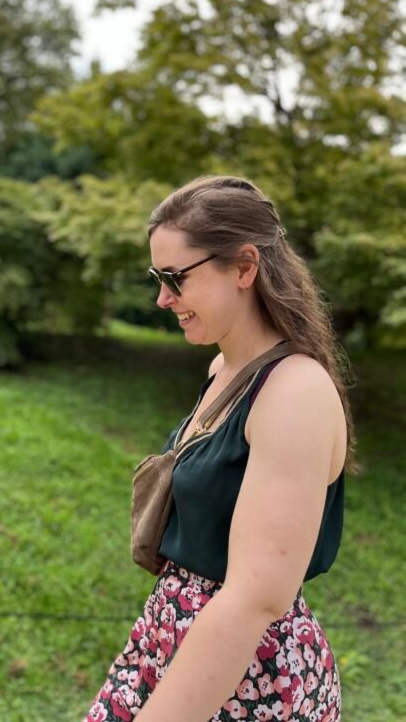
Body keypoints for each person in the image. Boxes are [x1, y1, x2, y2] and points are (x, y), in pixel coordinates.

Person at [84, 175, 358, 722]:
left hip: (247, 679)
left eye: (174, 278)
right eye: (156, 277)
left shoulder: (295, 393)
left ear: (244, 266)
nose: (163, 298)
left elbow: (254, 600)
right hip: (171, 646)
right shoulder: (224, 370)